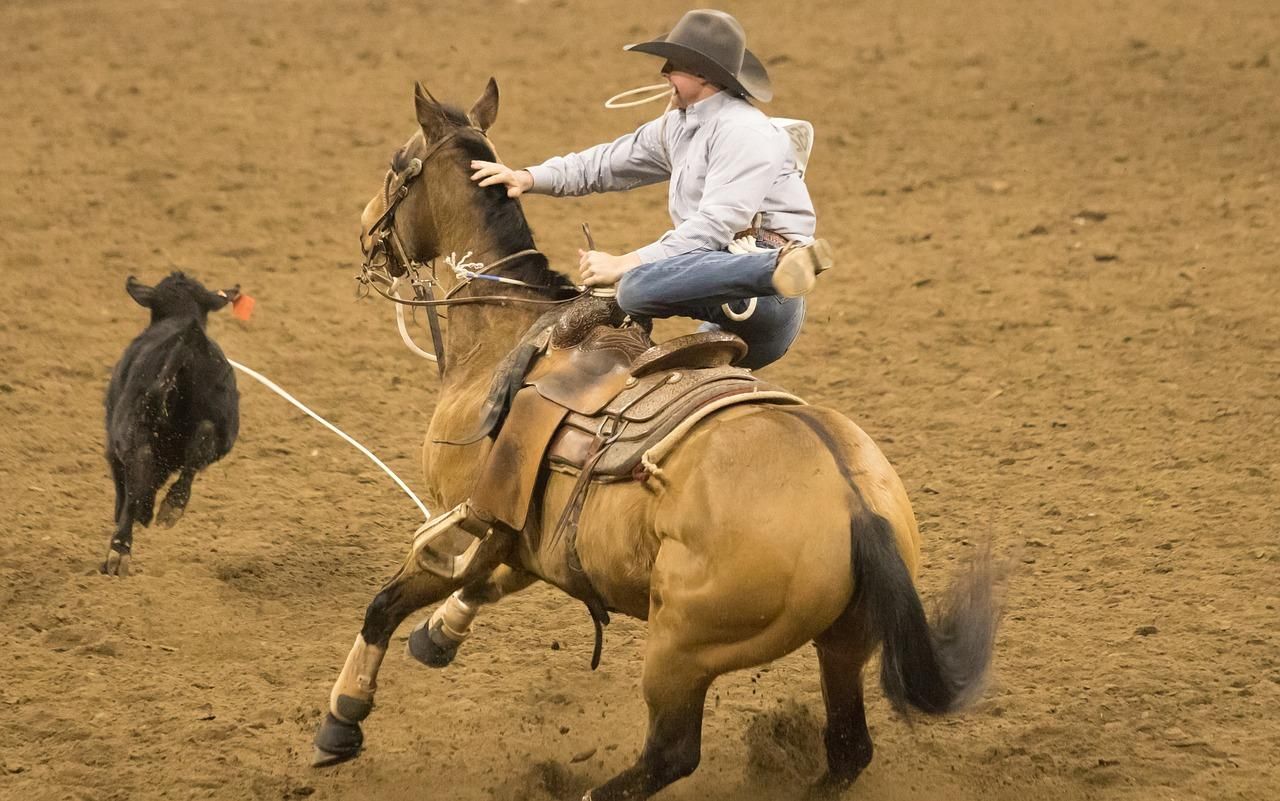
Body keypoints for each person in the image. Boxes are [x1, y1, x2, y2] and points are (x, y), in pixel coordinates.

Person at [470, 8, 833, 370]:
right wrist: (527, 178)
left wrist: (624, 264)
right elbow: (605, 164)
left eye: (673, 63)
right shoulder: (676, 127)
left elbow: (713, 227)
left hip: (766, 296)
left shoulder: (745, 132)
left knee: (634, 287)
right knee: (650, 329)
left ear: (703, 74)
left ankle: (781, 266)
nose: (664, 72)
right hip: (723, 288)